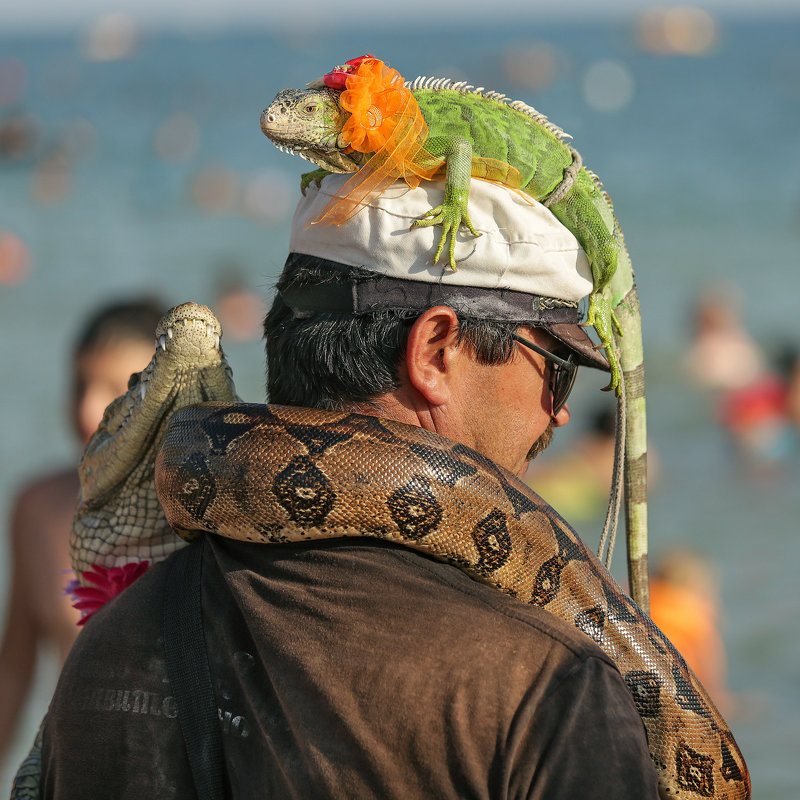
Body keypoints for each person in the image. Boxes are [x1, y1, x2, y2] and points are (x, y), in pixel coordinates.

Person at [38, 177, 659, 797]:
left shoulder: (108, 649)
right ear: (435, 351)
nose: (560, 413)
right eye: (556, 369)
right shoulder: (549, 692)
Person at [0, 298, 163, 768]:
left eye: (116, 388)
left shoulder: (204, 518)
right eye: (79, 385)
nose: (88, 409)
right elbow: (13, 670)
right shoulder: (37, 508)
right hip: (68, 773)